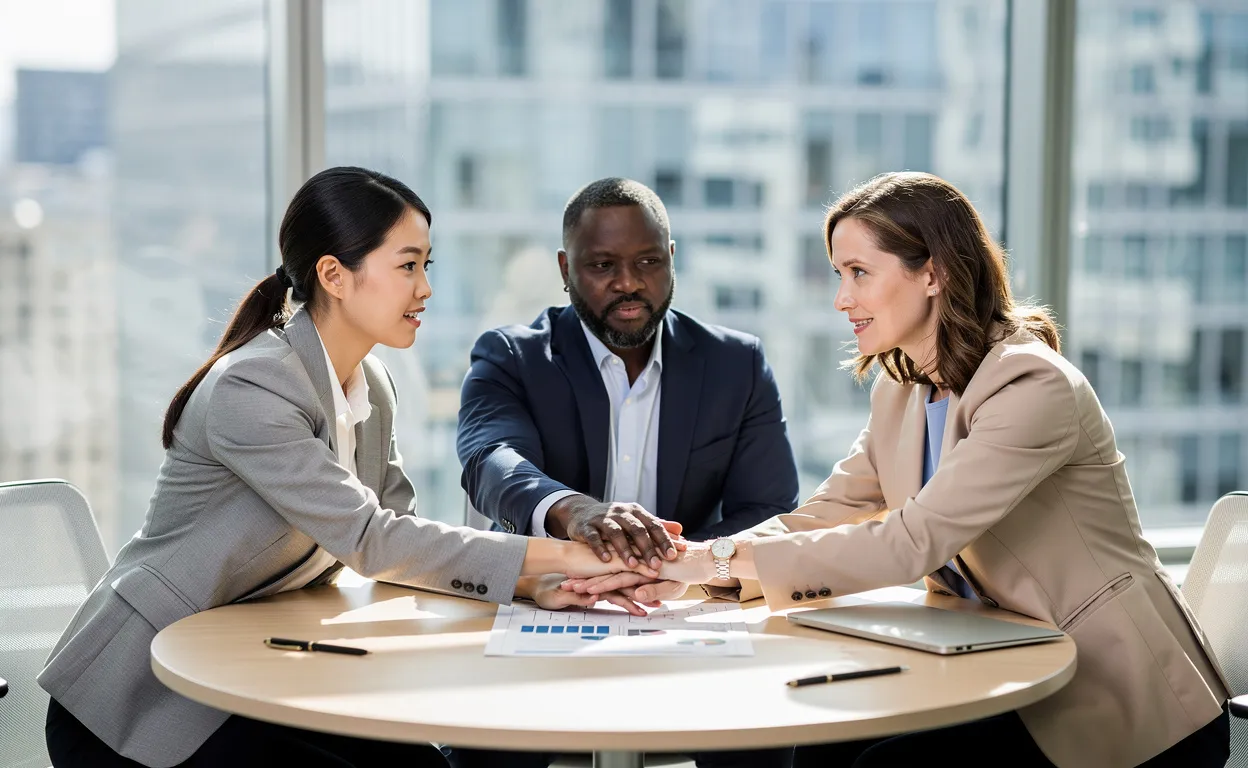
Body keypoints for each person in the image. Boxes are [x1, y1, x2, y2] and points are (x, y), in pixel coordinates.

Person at [565, 172, 1231, 768]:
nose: (841, 299)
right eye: (837, 275)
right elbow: (821, 515)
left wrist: (712, 564)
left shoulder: (1031, 385)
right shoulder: (905, 388)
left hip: (1116, 695)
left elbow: (913, 540)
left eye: (858, 272)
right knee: (820, 743)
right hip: (999, 663)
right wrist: (690, 568)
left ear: (932, 273)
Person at [39, 167, 656, 768]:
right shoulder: (253, 386)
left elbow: (405, 536)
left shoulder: (371, 385)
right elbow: (372, 539)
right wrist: (577, 554)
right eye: (407, 265)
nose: (426, 288)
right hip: (140, 699)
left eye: (426, 265)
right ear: (334, 275)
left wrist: (532, 584)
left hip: (257, 669)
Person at [453, 178, 799, 768]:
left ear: (672, 260)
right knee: (486, 747)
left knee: (766, 734)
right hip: (551, 602)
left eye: (647, 261)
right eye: (602, 265)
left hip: (688, 604)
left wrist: (678, 565)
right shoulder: (513, 356)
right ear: (566, 269)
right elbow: (491, 460)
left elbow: (768, 506)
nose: (629, 283)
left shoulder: (736, 363)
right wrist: (574, 511)